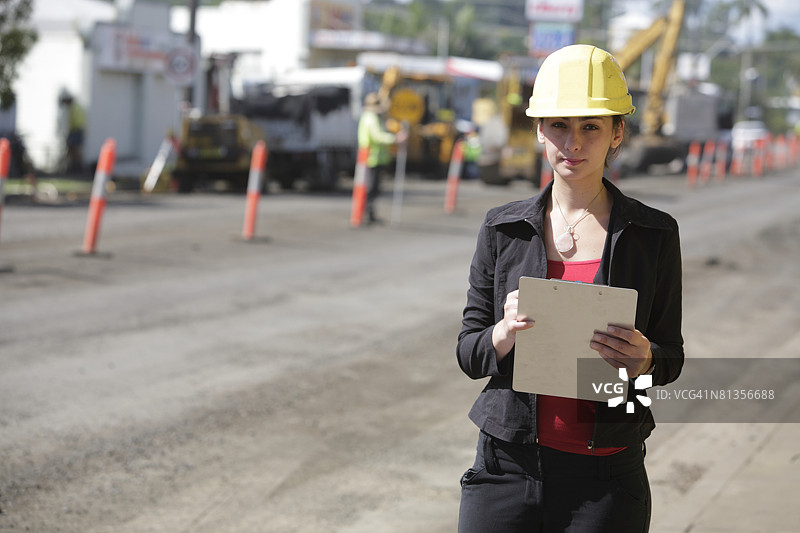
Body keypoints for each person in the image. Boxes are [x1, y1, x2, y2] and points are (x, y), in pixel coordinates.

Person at [456, 44, 683, 532]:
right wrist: (503, 333)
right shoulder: (503, 229)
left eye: (590, 127)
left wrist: (645, 361)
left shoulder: (653, 235)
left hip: (605, 479)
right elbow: (468, 352)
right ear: (539, 130)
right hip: (505, 469)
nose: (572, 142)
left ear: (617, 133)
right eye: (559, 125)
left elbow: (671, 358)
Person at [358, 92, 398, 224]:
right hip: (371, 158)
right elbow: (377, 136)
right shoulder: (371, 118)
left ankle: (368, 213)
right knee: (371, 188)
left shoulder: (370, 117)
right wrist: (394, 138)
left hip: (373, 158)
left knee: (373, 188)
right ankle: (366, 214)